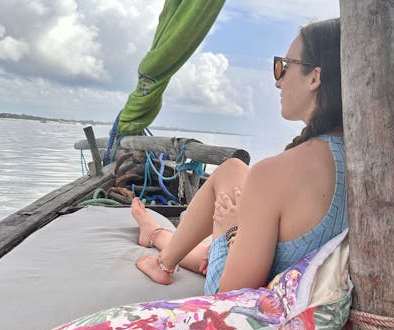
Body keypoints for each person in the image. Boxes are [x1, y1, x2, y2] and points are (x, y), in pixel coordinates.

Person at [133, 17, 347, 294]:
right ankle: (157, 236)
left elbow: (229, 298)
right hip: (298, 277)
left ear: (315, 78)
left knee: (229, 187)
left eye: (283, 67)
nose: (278, 82)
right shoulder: (367, 160)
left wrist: (231, 231)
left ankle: (162, 263)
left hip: (264, 300)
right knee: (234, 169)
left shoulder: (275, 173)